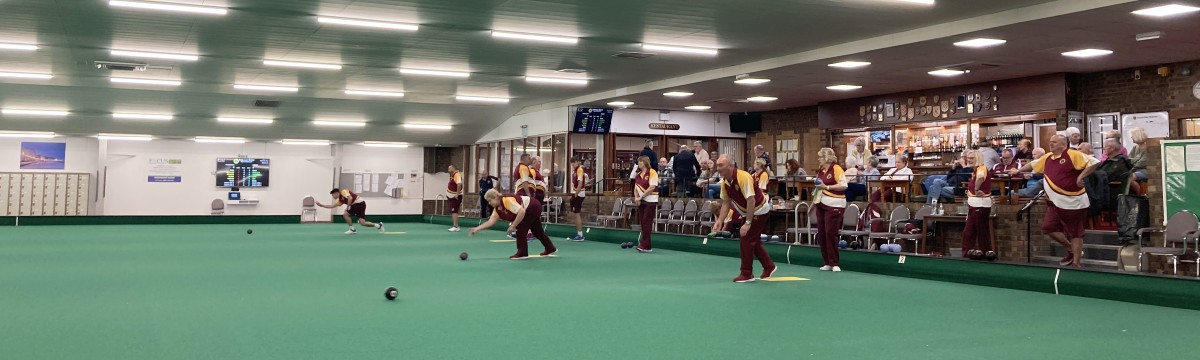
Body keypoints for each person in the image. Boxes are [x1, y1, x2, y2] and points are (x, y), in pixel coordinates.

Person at [1009, 135, 1099, 268]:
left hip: (1073, 202)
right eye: (1050, 142)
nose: (1051, 144)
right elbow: (1033, 164)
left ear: (1063, 144)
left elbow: (1094, 162)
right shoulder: (1048, 157)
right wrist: (1018, 170)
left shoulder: (1073, 154)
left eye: (1054, 142)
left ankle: (1076, 264)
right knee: (1048, 227)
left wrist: (1080, 177)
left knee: (1075, 233)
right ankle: (1070, 249)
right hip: (1053, 202)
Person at [711, 154, 777, 282]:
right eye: (717, 165)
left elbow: (751, 201)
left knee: (746, 238)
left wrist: (747, 223)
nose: (718, 168)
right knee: (754, 240)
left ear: (730, 166)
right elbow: (725, 202)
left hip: (759, 210)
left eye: (721, 165)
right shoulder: (725, 182)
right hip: (747, 212)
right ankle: (769, 266)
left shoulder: (743, 177)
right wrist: (719, 221)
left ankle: (747, 274)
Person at [469, 189, 557, 260]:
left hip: (532, 206)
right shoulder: (497, 209)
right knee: (537, 231)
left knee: (520, 229)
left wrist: (513, 226)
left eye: (490, 200)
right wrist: (477, 228)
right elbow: (490, 222)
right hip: (532, 207)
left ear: (495, 197)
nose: (489, 203)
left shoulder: (506, 200)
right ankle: (550, 248)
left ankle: (522, 253)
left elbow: (521, 212)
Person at [812, 148, 847, 272]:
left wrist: (826, 186)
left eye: (820, 157)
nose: (818, 159)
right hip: (821, 204)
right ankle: (827, 262)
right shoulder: (821, 171)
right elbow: (818, 188)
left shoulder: (836, 169)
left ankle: (834, 262)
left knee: (830, 233)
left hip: (835, 204)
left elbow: (844, 185)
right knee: (821, 234)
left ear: (826, 158)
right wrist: (812, 205)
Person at [962, 150, 994, 259]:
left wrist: (976, 189)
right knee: (971, 232)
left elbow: (980, 178)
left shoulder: (981, 168)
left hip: (979, 206)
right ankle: (974, 253)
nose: (968, 160)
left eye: (971, 158)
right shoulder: (976, 170)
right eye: (968, 158)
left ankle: (981, 253)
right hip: (975, 206)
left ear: (978, 158)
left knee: (977, 232)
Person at [316, 188, 384, 235]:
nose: (332, 196)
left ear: (337, 193)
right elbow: (332, 206)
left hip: (358, 203)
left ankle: (352, 230)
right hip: (361, 204)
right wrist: (321, 205)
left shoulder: (343, 192)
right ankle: (379, 225)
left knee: (345, 214)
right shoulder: (341, 200)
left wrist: (348, 207)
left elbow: (350, 198)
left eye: (333, 194)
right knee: (362, 223)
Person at [632, 156, 659, 253]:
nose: (639, 163)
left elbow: (652, 187)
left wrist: (641, 196)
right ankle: (647, 245)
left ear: (645, 162)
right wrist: (636, 198)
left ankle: (645, 244)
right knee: (643, 223)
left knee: (647, 222)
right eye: (638, 161)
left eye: (641, 161)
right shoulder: (638, 174)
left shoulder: (652, 172)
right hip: (641, 201)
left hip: (651, 200)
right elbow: (636, 188)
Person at [567, 158, 588, 241]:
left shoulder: (579, 170)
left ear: (576, 162)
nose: (572, 166)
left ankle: (580, 235)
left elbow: (580, 184)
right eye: (571, 165)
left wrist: (575, 195)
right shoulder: (575, 171)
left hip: (579, 194)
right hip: (576, 193)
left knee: (577, 213)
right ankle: (579, 233)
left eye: (573, 164)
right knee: (575, 214)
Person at [1128, 127, 1149, 194]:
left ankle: (1139, 197)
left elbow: (1142, 163)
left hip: (1145, 171)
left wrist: (1133, 160)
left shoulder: (1148, 148)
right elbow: (1128, 160)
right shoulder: (1135, 148)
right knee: (1126, 177)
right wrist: (1135, 160)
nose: (1131, 137)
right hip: (1134, 170)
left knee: (1130, 178)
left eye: (1132, 136)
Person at [446, 165, 464, 232]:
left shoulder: (457, 175)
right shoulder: (453, 175)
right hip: (452, 197)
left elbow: (459, 184)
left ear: (454, 168)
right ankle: (456, 225)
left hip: (456, 197)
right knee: (453, 211)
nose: (448, 169)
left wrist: (457, 194)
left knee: (454, 211)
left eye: (449, 168)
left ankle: (455, 226)